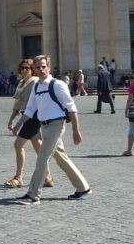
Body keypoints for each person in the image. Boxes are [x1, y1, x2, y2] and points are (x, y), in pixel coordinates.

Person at [15, 54, 91, 205]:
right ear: (34, 69)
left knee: (42, 158)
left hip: (56, 125)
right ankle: (83, 187)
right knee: (61, 158)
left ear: (48, 68)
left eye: (44, 66)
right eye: (38, 67)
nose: (41, 69)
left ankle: (33, 194)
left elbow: (71, 108)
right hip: (44, 126)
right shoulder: (36, 86)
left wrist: (76, 131)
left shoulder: (58, 84)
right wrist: (18, 124)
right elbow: (30, 109)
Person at [5, 59, 52, 189]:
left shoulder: (34, 83)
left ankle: (18, 177)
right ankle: (47, 177)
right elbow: (18, 103)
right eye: (22, 67)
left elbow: (34, 104)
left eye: (27, 67)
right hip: (26, 115)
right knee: (39, 148)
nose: (24, 70)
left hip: (33, 117)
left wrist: (18, 124)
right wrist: (11, 119)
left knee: (18, 144)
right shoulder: (22, 83)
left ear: (32, 70)